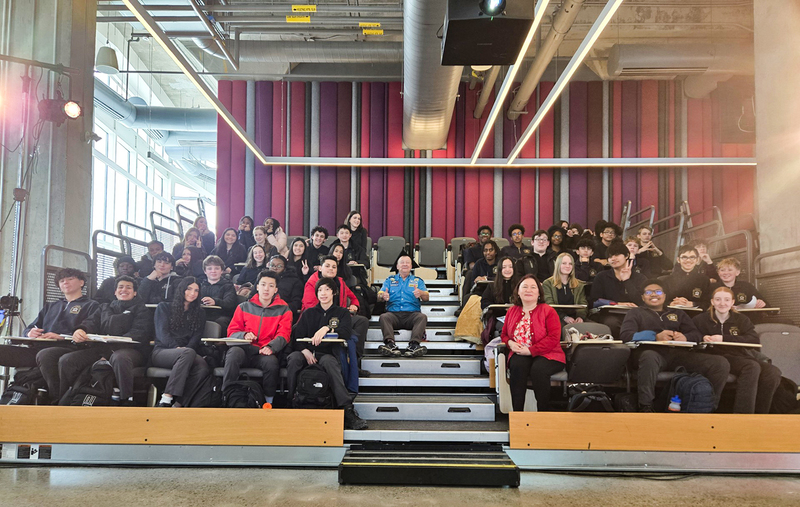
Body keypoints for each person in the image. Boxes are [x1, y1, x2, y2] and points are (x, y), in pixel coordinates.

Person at [619, 280, 730, 412]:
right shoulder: (635, 313)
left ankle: (709, 405)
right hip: (651, 354)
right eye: (649, 292)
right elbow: (626, 335)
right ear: (643, 297)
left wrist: (685, 337)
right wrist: (655, 336)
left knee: (720, 363)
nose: (654, 294)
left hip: (678, 354)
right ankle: (646, 406)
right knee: (649, 356)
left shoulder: (678, 313)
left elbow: (696, 334)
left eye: (658, 291)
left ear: (665, 296)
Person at [286, 276, 368, 429]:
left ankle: (345, 408)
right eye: (320, 290)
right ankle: (291, 401)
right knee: (293, 359)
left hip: (328, 353)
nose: (323, 293)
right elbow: (297, 336)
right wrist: (305, 351)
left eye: (327, 290)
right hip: (307, 352)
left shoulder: (342, 312)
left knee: (330, 363)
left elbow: (345, 332)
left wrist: (328, 329)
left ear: (334, 293)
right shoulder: (309, 313)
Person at [694, 286, 781, 413]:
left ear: (732, 302)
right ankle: (743, 415)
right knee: (751, 367)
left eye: (726, 300)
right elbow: (690, 335)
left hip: (739, 355)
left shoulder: (741, 319)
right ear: (712, 302)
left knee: (773, 372)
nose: (722, 303)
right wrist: (702, 337)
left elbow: (753, 340)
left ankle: (761, 415)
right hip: (715, 357)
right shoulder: (700, 319)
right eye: (718, 299)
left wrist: (723, 339)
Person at [26, 269, 101, 400]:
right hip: (40, 346)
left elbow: (89, 327)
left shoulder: (91, 305)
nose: (65, 282)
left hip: (69, 347)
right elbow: (32, 326)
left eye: (70, 279)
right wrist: (29, 332)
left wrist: (62, 336)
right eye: (62, 281)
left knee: (46, 355)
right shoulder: (51, 306)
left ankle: (56, 399)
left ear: (81, 282)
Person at [80, 275, 151, 405]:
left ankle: (126, 399)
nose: (124, 290)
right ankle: (67, 398)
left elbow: (139, 332)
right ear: (115, 291)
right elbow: (90, 322)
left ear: (135, 292)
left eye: (128, 287)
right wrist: (81, 330)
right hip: (103, 350)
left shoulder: (141, 309)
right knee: (68, 360)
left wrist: (112, 346)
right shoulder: (104, 307)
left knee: (120, 358)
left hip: (132, 351)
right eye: (120, 287)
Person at [224, 270, 293, 405]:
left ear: (276, 289)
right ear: (257, 287)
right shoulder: (243, 307)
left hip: (264, 351)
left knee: (271, 363)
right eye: (263, 284)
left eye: (271, 285)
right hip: (244, 349)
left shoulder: (284, 310)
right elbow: (231, 333)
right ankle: (227, 396)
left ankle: (268, 402)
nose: (266, 288)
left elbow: (284, 334)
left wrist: (271, 347)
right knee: (233, 354)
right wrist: (243, 335)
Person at [501, 274, 565, 412]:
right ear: (518, 291)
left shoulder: (548, 311)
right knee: (517, 366)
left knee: (539, 369)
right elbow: (504, 335)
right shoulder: (512, 311)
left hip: (549, 354)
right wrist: (511, 344)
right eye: (524, 287)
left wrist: (531, 351)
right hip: (520, 352)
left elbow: (554, 338)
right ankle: (517, 414)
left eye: (533, 287)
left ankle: (543, 413)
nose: (528, 290)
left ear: (539, 292)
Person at [302, 257, 369, 377]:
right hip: (318, 320)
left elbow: (353, 297)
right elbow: (310, 307)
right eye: (327, 266)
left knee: (362, 321)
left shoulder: (340, 282)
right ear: (320, 268)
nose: (331, 269)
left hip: (339, 318)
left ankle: (354, 361)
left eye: (334, 267)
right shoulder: (312, 282)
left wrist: (354, 305)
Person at [151, 277, 210, 407]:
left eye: (196, 290)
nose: (192, 293)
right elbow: (162, 334)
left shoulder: (200, 312)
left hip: (187, 352)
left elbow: (196, 337)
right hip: (163, 351)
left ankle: (179, 404)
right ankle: (166, 399)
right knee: (187, 353)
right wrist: (177, 347)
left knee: (203, 367)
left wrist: (186, 350)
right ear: (181, 289)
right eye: (189, 289)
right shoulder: (164, 307)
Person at [377, 253, 430, 358]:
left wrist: (421, 293)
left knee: (422, 317)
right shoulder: (389, 280)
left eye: (407, 263)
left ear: (411, 266)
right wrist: (383, 296)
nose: (405, 265)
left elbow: (427, 297)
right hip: (393, 315)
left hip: (412, 315)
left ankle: (414, 345)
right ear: (397, 266)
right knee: (384, 317)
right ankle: (390, 345)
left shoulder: (418, 281)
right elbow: (379, 295)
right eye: (402, 262)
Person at [589, 242, 647, 337]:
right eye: (610, 256)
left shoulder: (640, 278)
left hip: (634, 315)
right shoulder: (601, 276)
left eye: (616, 255)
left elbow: (642, 301)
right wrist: (617, 304)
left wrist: (627, 281)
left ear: (627, 256)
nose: (613, 259)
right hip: (609, 315)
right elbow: (594, 301)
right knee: (612, 323)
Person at [542, 253, 588, 326]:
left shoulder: (579, 284)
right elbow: (549, 304)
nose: (567, 266)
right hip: (556, 317)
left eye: (570, 264)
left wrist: (580, 317)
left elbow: (582, 303)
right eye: (564, 263)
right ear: (558, 265)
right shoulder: (548, 283)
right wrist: (564, 317)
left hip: (575, 317)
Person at [198, 255, 238, 330]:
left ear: (222, 271)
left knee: (221, 321)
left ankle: (219, 342)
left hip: (221, 315)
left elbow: (230, 304)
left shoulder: (228, 286)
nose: (213, 271)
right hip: (202, 314)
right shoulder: (199, 285)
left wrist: (215, 302)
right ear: (205, 271)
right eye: (209, 268)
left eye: (217, 268)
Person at [462, 240, 499, 306]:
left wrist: (486, 278)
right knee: (467, 297)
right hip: (481, 291)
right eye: (485, 250)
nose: (488, 252)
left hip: (496, 292)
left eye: (491, 250)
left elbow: (502, 279)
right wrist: (477, 281)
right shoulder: (478, 263)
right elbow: (472, 282)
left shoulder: (500, 263)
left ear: (495, 251)